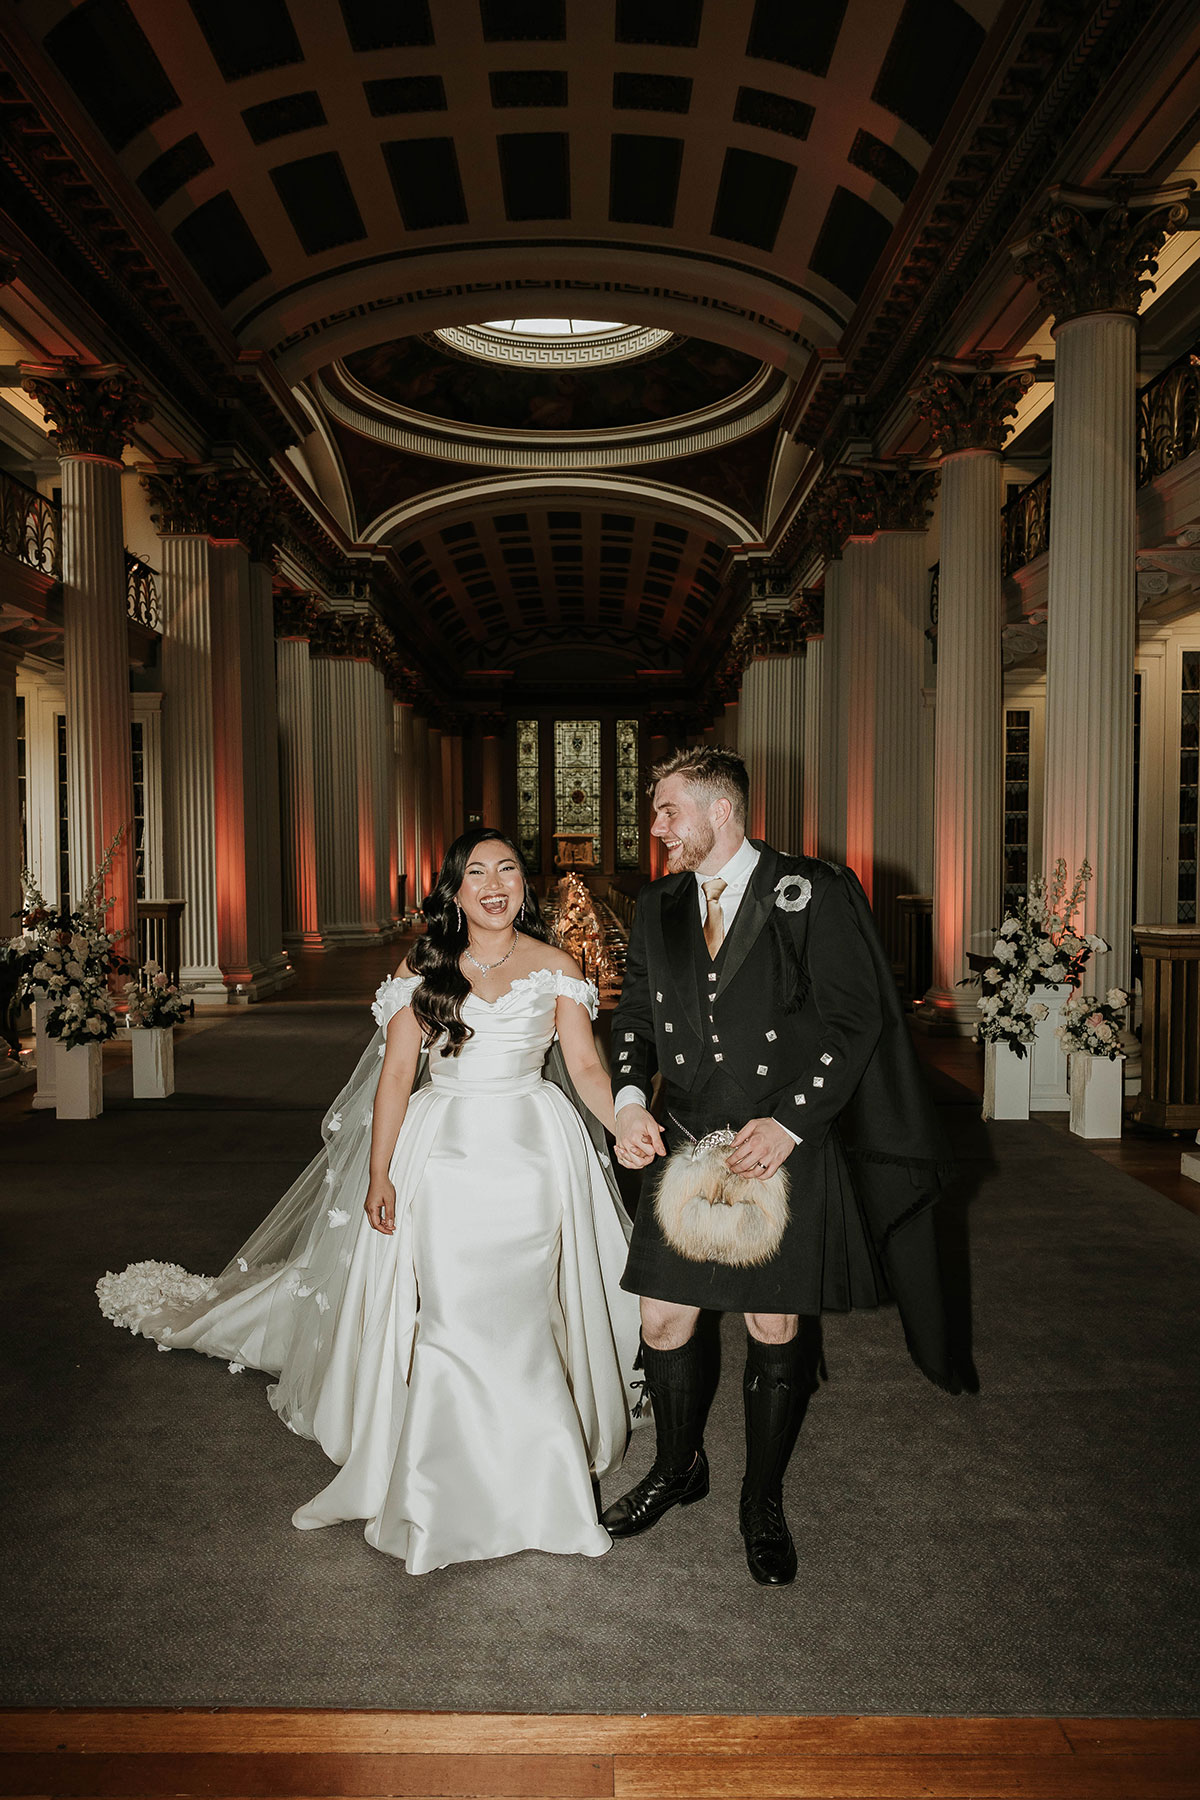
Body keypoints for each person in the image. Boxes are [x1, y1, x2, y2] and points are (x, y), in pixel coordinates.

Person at [98, 829, 641, 1576]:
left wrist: (624, 1126)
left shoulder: (555, 968)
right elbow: (394, 1080)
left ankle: (538, 1485)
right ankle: (440, 1492)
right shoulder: (424, 967)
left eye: (506, 869)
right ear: (453, 891)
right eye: (475, 872)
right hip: (444, 1162)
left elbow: (584, 1066)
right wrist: (380, 1174)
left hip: (531, 1163)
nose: (492, 883)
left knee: (519, 1316)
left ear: (525, 884)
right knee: (451, 1316)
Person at [606, 746, 959, 1587]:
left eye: (668, 811)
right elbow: (634, 1017)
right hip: (688, 1135)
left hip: (780, 1143)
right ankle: (677, 1467)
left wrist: (792, 1125)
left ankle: (760, 1498)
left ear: (721, 811)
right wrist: (627, 1098)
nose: (656, 828)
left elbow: (856, 1019)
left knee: (773, 1325)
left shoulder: (813, 891)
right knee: (662, 1323)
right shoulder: (658, 903)